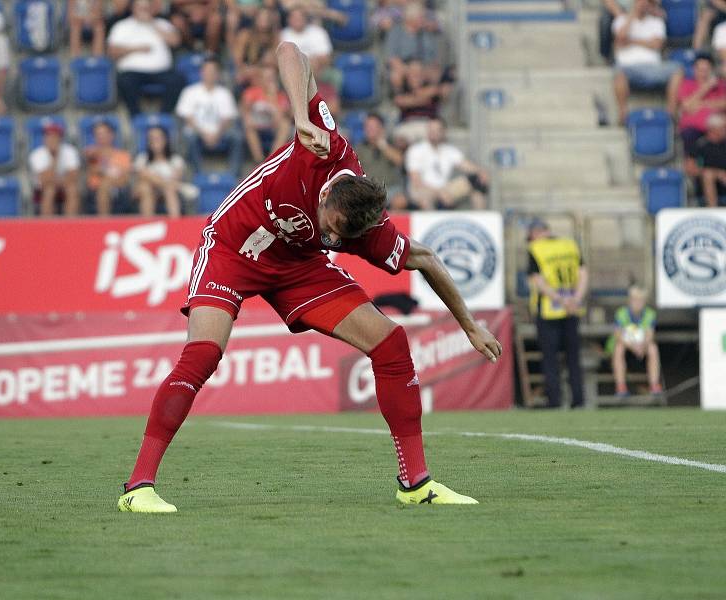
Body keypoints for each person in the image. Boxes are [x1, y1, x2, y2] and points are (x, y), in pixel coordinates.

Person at [116, 41, 503, 513]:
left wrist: (468, 325)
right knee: (203, 355)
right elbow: (288, 49)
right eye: (331, 230)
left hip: (298, 266)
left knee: (391, 344)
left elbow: (424, 258)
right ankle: (138, 488)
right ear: (326, 202)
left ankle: (415, 481)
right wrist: (299, 115)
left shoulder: (363, 227)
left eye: (342, 240)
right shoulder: (320, 141)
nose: (334, 240)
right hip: (235, 245)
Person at [527, 219, 588, 409]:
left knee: (550, 359)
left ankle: (554, 401)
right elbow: (583, 273)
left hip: (548, 310)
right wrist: (575, 299)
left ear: (536, 233)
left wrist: (560, 300)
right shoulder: (570, 244)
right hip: (573, 308)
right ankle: (578, 399)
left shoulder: (535, 248)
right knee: (573, 357)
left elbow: (538, 281)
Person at [107, 0, 187, 116]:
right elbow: (112, 52)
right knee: (124, 81)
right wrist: (135, 49)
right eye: (140, 7)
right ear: (133, 8)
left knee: (177, 80)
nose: (143, 10)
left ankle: (164, 116)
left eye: (146, 7)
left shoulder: (162, 23)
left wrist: (152, 23)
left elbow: (175, 41)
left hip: (161, 71)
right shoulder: (121, 26)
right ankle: (136, 116)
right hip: (132, 71)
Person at [612, 0, 679, 124]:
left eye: (646, 2)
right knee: (618, 73)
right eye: (639, 2)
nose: (643, 4)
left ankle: (671, 112)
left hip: (653, 67)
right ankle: (623, 114)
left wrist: (631, 41)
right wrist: (632, 15)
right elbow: (620, 38)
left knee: (677, 69)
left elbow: (657, 44)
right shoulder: (621, 20)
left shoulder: (656, 22)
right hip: (628, 67)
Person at [175, 58, 244, 177]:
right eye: (207, 71)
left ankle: (234, 175)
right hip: (196, 131)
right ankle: (198, 174)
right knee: (190, 137)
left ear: (218, 74)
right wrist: (204, 134)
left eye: (213, 71)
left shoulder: (225, 93)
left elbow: (228, 118)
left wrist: (217, 134)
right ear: (201, 72)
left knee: (237, 137)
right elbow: (187, 117)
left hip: (221, 133)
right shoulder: (190, 92)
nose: (210, 74)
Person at [404, 118, 489, 210]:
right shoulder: (416, 150)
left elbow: (465, 165)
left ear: (443, 132)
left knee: (477, 180)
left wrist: (481, 171)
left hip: (444, 188)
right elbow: (416, 180)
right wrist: (439, 192)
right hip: (423, 189)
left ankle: (480, 217)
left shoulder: (449, 150)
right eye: (431, 130)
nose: (433, 133)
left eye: (437, 130)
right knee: (426, 200)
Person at [667, 53, 726, 172]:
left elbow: (724, 103)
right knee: (689, 135)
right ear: (694, 70)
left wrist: (700, 104)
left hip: (718, 131)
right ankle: (693, 174)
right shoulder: (687, 84)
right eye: (700, 70)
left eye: (706, 70)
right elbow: (686, 106)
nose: (703, 73)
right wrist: (706, 87)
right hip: (693, 129)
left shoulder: (720, 85)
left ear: (711, 70)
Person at [610, 285, 662, 397]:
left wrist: (642, 347)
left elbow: (649, 334)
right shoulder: (621, 313)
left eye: (640, 300)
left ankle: (654, 385)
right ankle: (621, 387)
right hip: (627, 345)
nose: (637, 303)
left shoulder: (650, 314)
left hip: (642, 346)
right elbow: (618, 335)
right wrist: (633, 347)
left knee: (653, 348)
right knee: (618, 348)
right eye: (635, 300)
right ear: (629, 300)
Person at [385, 3, 444, 91]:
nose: (423, 20)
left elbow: (434, 58)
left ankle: (423, 99)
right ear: (410, 18)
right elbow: (392, 58)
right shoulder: (396, 32)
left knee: (436, 75)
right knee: (396, 76)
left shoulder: (427, 33)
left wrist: (422, 69)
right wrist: (408, 70)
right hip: (404, 67)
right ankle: (402, 99)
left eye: (423, 17)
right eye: (420, 17)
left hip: (424, 66)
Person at [354, 113, 407, 210]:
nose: (369, 130)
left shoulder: (391, 144)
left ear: (381, 128)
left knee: (400, 201)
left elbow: (400, 161)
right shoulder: (359, 148)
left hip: (390, 189)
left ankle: (391, 225)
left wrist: (382, 145)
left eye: (373, 127)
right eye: (367, 126)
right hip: (368, 190)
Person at [134, 126, 190, 217]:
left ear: (165, 140)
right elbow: (142, 176)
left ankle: (175, 225)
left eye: (158, 138)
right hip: (147, 192)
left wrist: (160, 182)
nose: (155, 141)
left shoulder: (176, 160)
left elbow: (176, 179)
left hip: (170, 192)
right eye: (151, 138)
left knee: (169, 190)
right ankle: (146, 223)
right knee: (146, 187)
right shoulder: (142, 159)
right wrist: (163, 182)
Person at [28, 123, 82, 217]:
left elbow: (73, 176)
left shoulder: (70, 151)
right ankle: (47, 225)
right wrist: (54, 158)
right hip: (43, 188)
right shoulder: (37, 154)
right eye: (49, 136)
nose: (52, 140)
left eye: (55, 137)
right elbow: (44, 180)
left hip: (64, 185)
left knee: (72, 189)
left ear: (60, 138)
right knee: (50, 189)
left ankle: (70, 224)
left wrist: (59, 181)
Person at [241, 66, 292, 162]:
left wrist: (272, 97)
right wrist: (250, 119)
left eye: (271, 78)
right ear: (261, 79)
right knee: (248, 125)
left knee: (285, 125)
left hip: (273, 127)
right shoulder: (252, 92)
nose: (269, 81)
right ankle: (259, 161)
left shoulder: (280, 96)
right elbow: (245, 111)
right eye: (267, 78)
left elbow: (280, 119)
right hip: (256, 125)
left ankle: (271, 160)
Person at [83, 121, 133, 215]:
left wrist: (104, 174)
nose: (101, 137)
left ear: (112, 135)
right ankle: (104, 223)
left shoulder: (123, 155)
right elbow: (92, 170)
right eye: (98, 134)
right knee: (104, 186)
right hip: (94, 191)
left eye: (104, 133)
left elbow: (125, 178)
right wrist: (110, 173)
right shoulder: (91, 154)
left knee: (106, 184)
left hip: (119, 191)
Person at [696, 113, 726, 207]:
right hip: (708, 181)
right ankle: (713, 209)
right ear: (713, 129)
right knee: (708, 175)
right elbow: (691, 168)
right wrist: (717, 174)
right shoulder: (700, 145)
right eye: (723, 127)